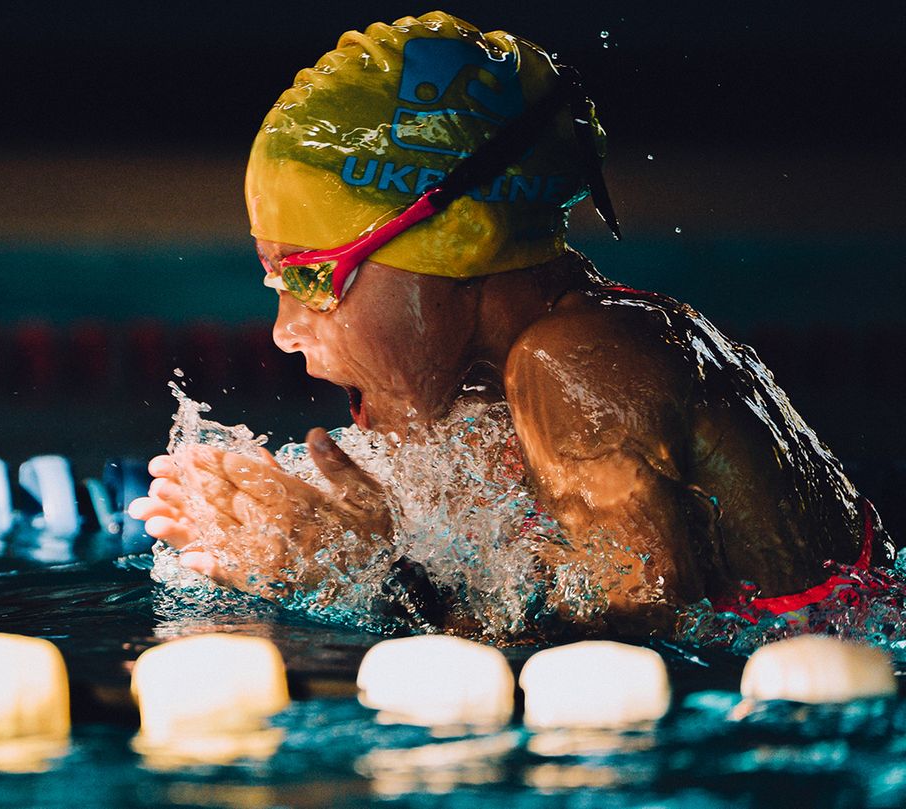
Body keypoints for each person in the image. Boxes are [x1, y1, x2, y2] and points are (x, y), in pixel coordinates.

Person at [126, 11, 892, 636]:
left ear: (458, 239)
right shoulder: (495, 388)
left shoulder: (574, 363)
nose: (283, 330)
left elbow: (628, 648)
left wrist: (372, 574)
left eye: (312, 275)